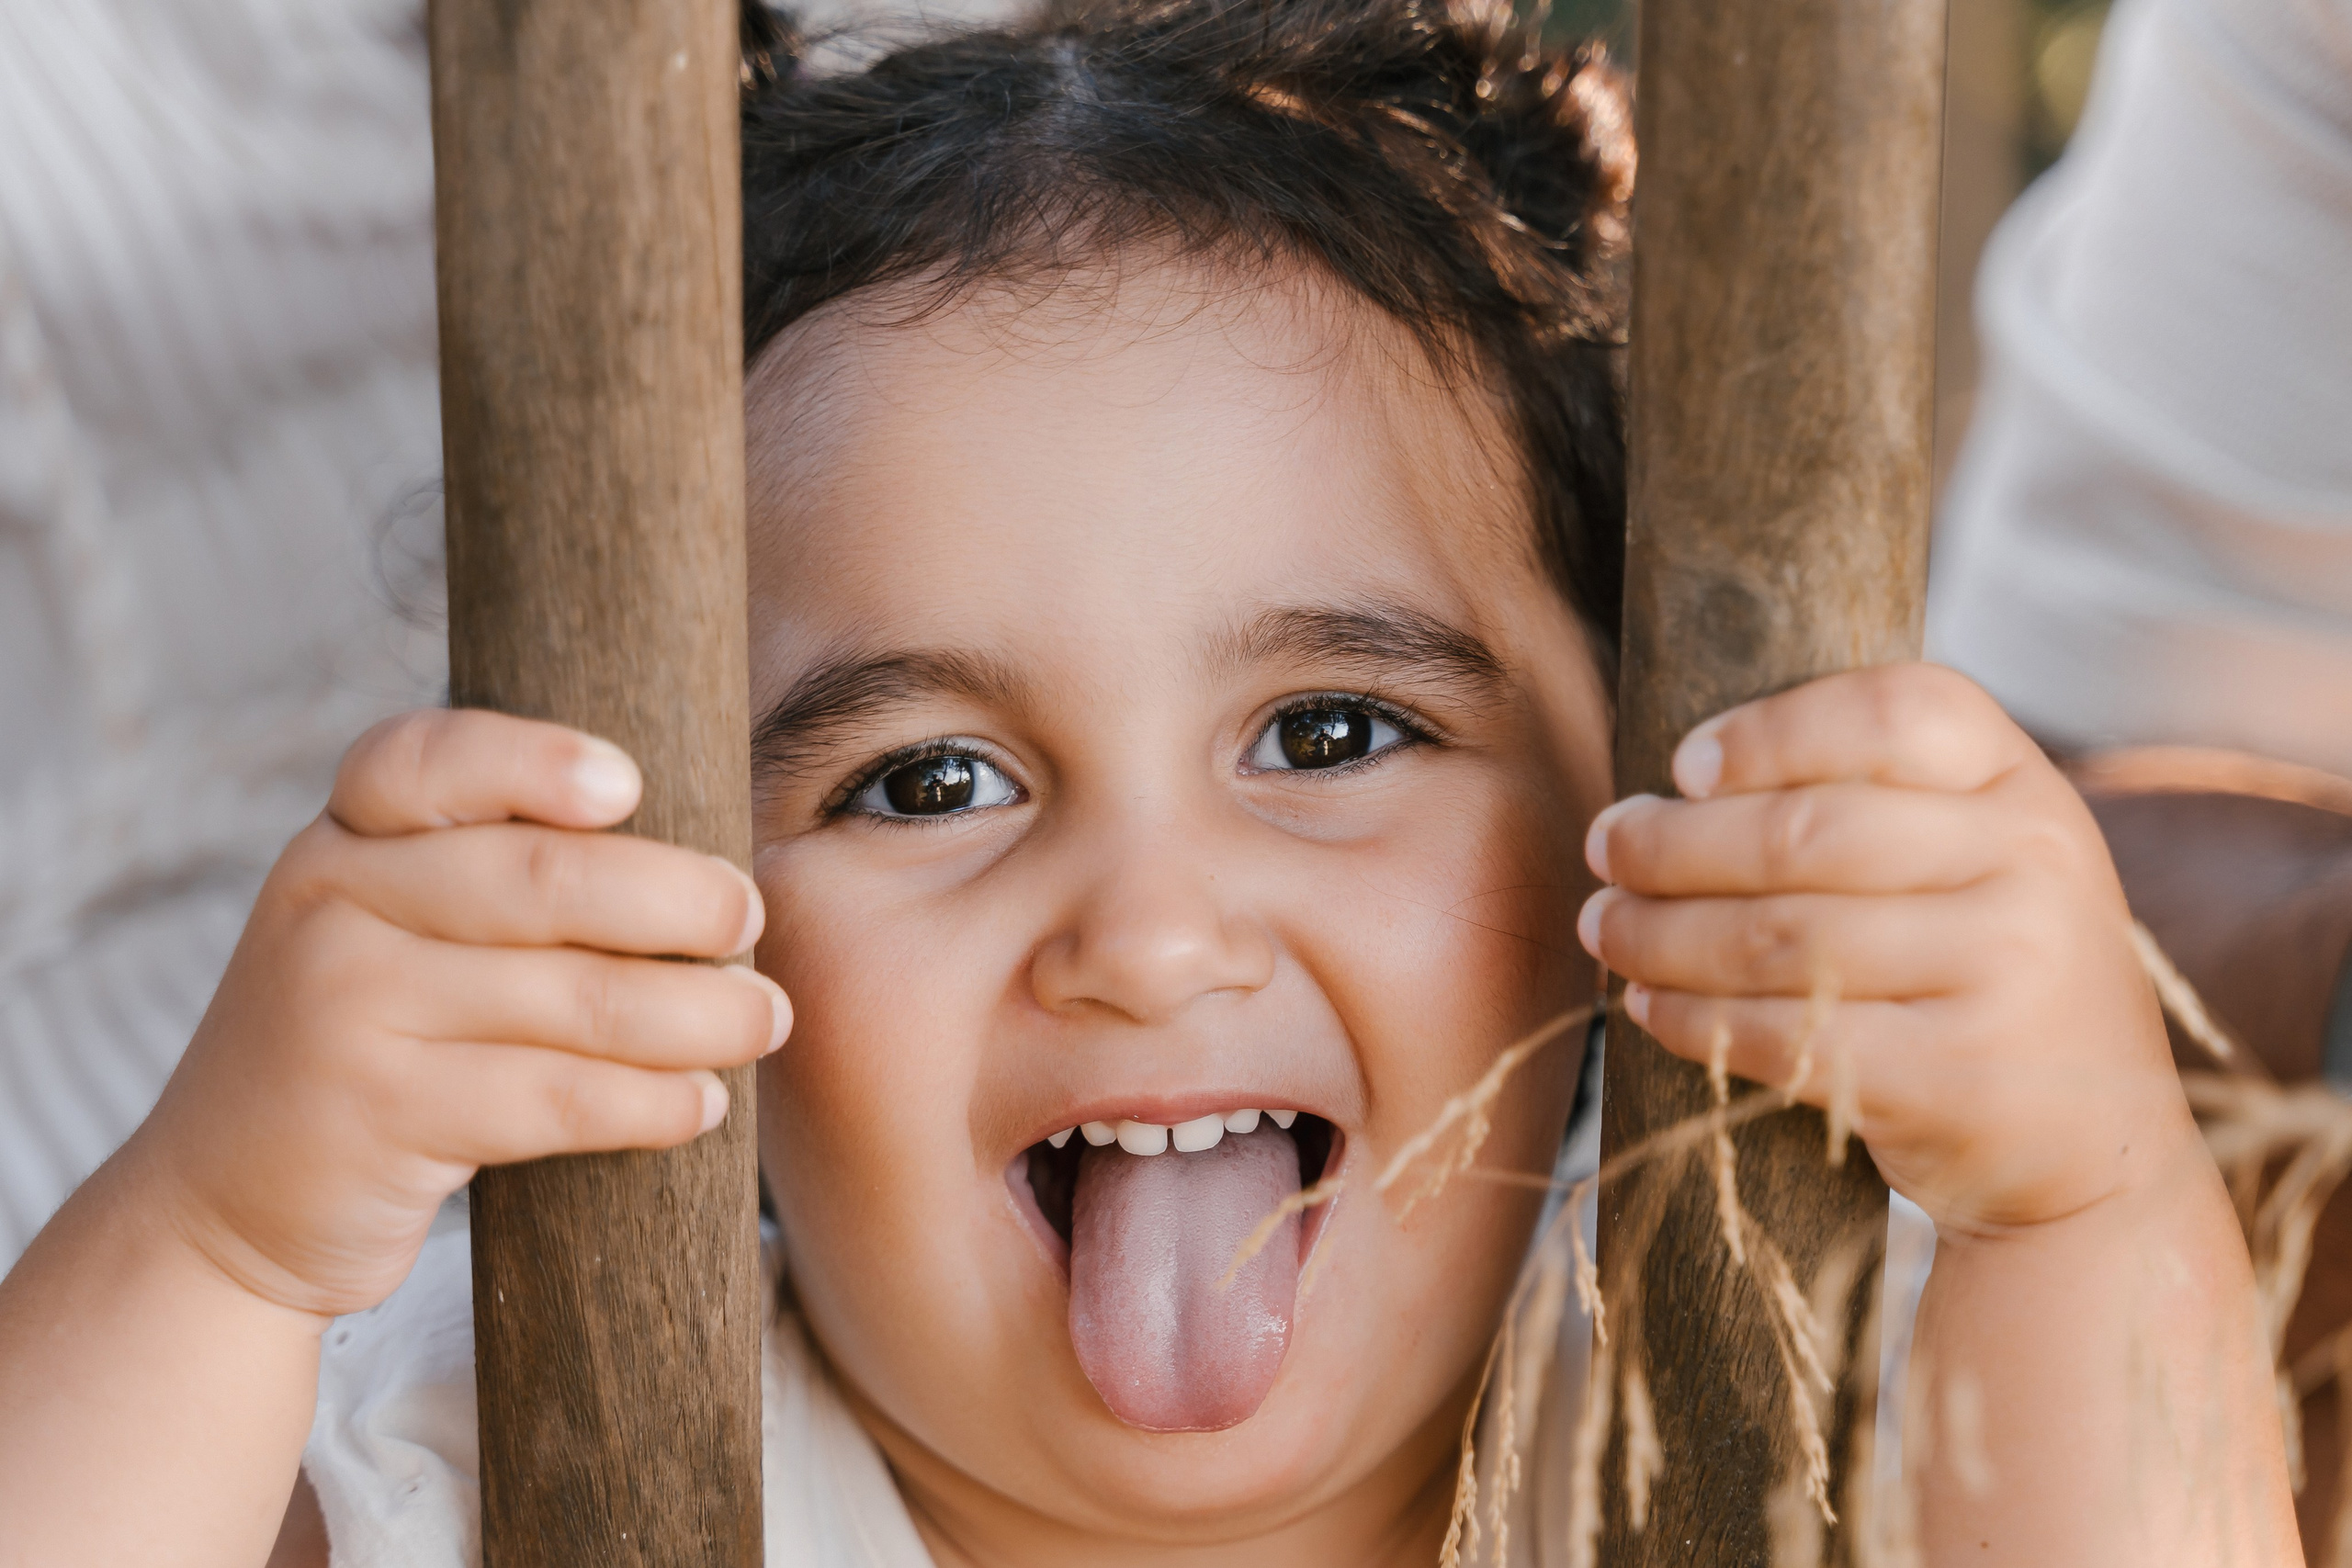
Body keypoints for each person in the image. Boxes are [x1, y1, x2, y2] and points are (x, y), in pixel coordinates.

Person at [0, 3, 2302, 1564]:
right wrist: (216, 1239)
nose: (1150, 927)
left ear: (1626, 799)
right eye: (926, 780)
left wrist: (2081, 1200)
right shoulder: (568, 1419)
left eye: (1326, 733)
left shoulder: (1760, 1344)